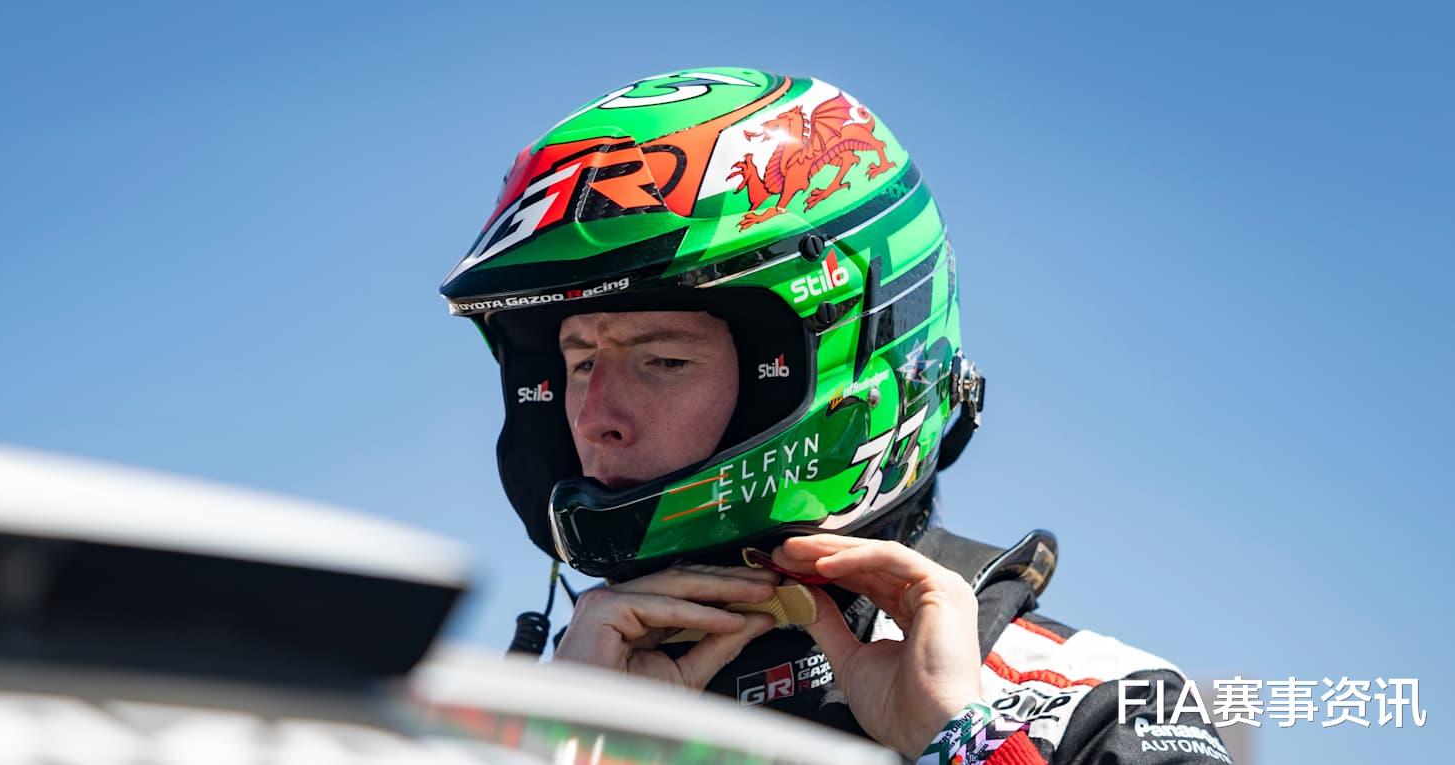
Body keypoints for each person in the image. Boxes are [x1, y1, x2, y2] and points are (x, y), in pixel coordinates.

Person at [440, 68, 1231, 764]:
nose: (594, 419)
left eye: (664, 361)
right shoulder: (510, 725)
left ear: (828, 360)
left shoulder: (1102, 708)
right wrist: (554, 742)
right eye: (579, 363)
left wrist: (965, 744)